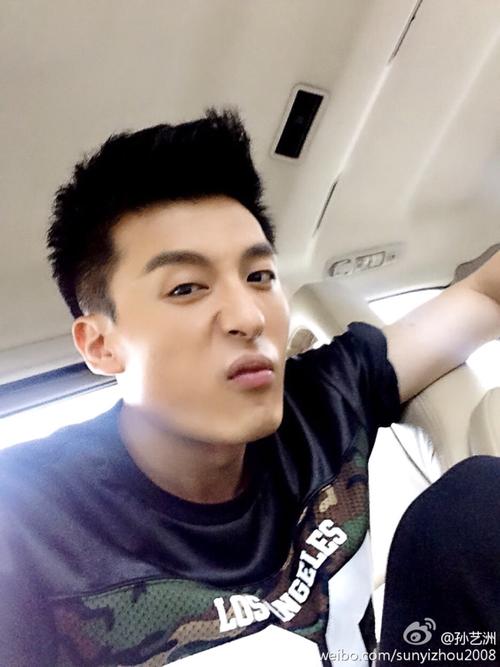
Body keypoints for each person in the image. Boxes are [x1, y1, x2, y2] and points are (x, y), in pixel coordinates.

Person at [0, 108, 498, 666]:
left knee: (476, 501)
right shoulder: (25, 527)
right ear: (99, 344)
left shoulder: (321, 403)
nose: (248, 316)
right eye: (187, 288)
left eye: (259, 277)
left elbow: (482, 295)